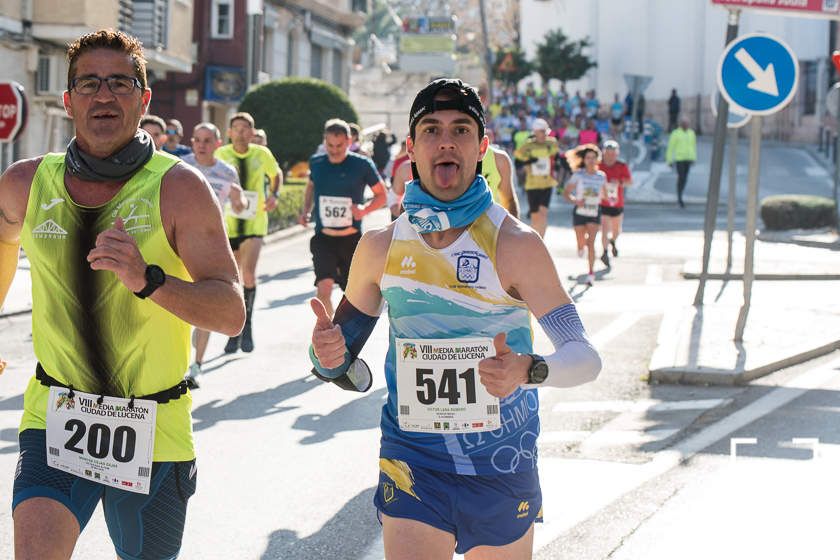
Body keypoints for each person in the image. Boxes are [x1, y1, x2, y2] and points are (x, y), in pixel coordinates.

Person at [308, 78, 601, 559]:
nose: (446, 141)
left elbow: (585, 358)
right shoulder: (380, 247)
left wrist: (530, 370)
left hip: (502, 461)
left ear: (482, 147)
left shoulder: (516, 245)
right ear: (411, 149)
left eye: (461, 129)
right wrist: (327, 355)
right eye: (431, 129)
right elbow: (343, 368)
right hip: (413, 457)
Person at [0, 29, 245, 559]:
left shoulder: (180, 188)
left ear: (143, 98)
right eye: (88, 84)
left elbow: (230, 313)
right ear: (68, 101)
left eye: (119, 82)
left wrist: (149, 280)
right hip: (56, 413)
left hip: (153, 426)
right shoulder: (25, 184)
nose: (104, 95)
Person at [182, 122, 248, 388]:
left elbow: (240, 206)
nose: (201, 144)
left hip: (210, 245)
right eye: (197, 139)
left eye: (207, 140)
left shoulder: (227, 172)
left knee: (204, 306)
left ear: (218, 143)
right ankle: (178, 360)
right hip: (178, 242)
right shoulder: (181, 166)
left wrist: (238, 197)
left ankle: (196, 365)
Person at [299, 118, 386, 317]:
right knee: (323, 290)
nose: (335, 150)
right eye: (330, 145)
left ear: (349, 141)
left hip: (351, 239)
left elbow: (381, 195)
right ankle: (330, 330)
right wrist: (306, 210)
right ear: (324, 141)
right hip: (324, 238)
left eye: (339, 145)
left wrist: (363, 210)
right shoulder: (317, 162)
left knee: (352, 295)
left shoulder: (362, 164)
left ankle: (343, 332)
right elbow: (311, 187)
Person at [216, 112, 283, 352]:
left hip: (254, 223)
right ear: (229, 132)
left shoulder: (261, 153)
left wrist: (274, 195)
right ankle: (233, 330)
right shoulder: (221, 155)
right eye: (236, 128)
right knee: (232, 279)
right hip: (228, 223)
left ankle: (248, 325)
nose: (241, 132)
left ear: (252, 132)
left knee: (249, 275)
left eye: (246, 128)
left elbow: (276, 175)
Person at [563, 144, 607, 285]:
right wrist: (576, 201)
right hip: (580, 211)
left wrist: (607, 196)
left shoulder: (601, 176)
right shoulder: (578, 175)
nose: (591, 160)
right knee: (582, 242)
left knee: (591, 243)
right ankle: (580, 247)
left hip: (594, 211)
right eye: (588, 158)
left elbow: (605, 195)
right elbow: (566, 193)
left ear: (597, 159)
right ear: (584, 159)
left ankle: (590, 273)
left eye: (594, 158)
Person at [514, 118, 560, 238]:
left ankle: (542, 240)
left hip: (547, 183)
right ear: (535, 132)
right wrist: (528, 160)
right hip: (532, 184)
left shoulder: (552, 143)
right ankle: (536, 240)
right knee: (535, 216)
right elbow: (518, 157)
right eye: (541, 132)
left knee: (543, 213)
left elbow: (556, 155)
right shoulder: (528, 145)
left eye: (545, 132)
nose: (544, 134)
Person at [598, 140, 632, 268]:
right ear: (603, 153)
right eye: (608, 153)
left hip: (617, 203)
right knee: (605, 229)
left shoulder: (621, 165)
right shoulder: (599, 165)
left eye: (613, 154)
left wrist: (619, 182)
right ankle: (605, 252)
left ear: (616, 154)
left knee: (616, 230)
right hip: (604, 203)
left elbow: (629, 182)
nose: (610, 156)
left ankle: (612, 241)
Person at [666, 116, 696, 208]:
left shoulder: (691, 133)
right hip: (679, 159)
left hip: (688, 159)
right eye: (685, 123)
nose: (687, 125)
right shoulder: (676, 133)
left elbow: (693, 147)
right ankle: (679, 197)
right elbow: (670, 148)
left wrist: (694, 158)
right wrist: (669, 160)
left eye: (688, 123)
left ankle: (680, 194)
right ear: (681, 124)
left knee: (685, 178)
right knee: (681, 177)